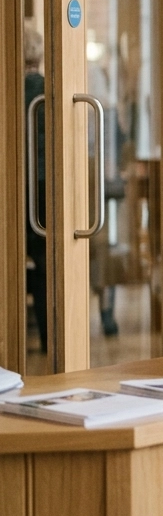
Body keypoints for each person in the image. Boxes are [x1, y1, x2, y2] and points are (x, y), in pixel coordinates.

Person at [22, 28, 46, 351]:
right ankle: (46, 337)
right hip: (43, 187)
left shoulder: (8, 88)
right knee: (43, 263)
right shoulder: (48, 90)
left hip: (13, 188)